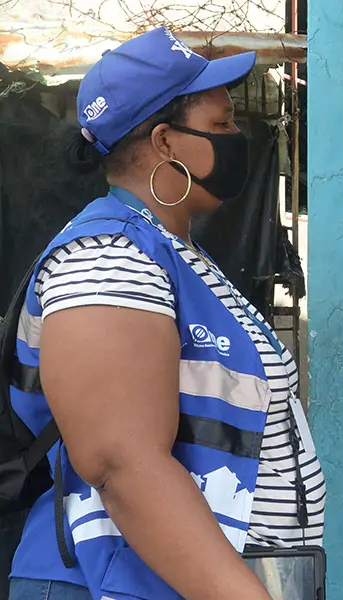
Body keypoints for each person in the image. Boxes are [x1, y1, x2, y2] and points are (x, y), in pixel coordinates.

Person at [8, 28, 323, 599]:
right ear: (165, 142)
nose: (237, 138)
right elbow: (120, 462)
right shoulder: (108, 259)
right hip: (115, 583)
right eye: (222, 124)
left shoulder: (172, 254)